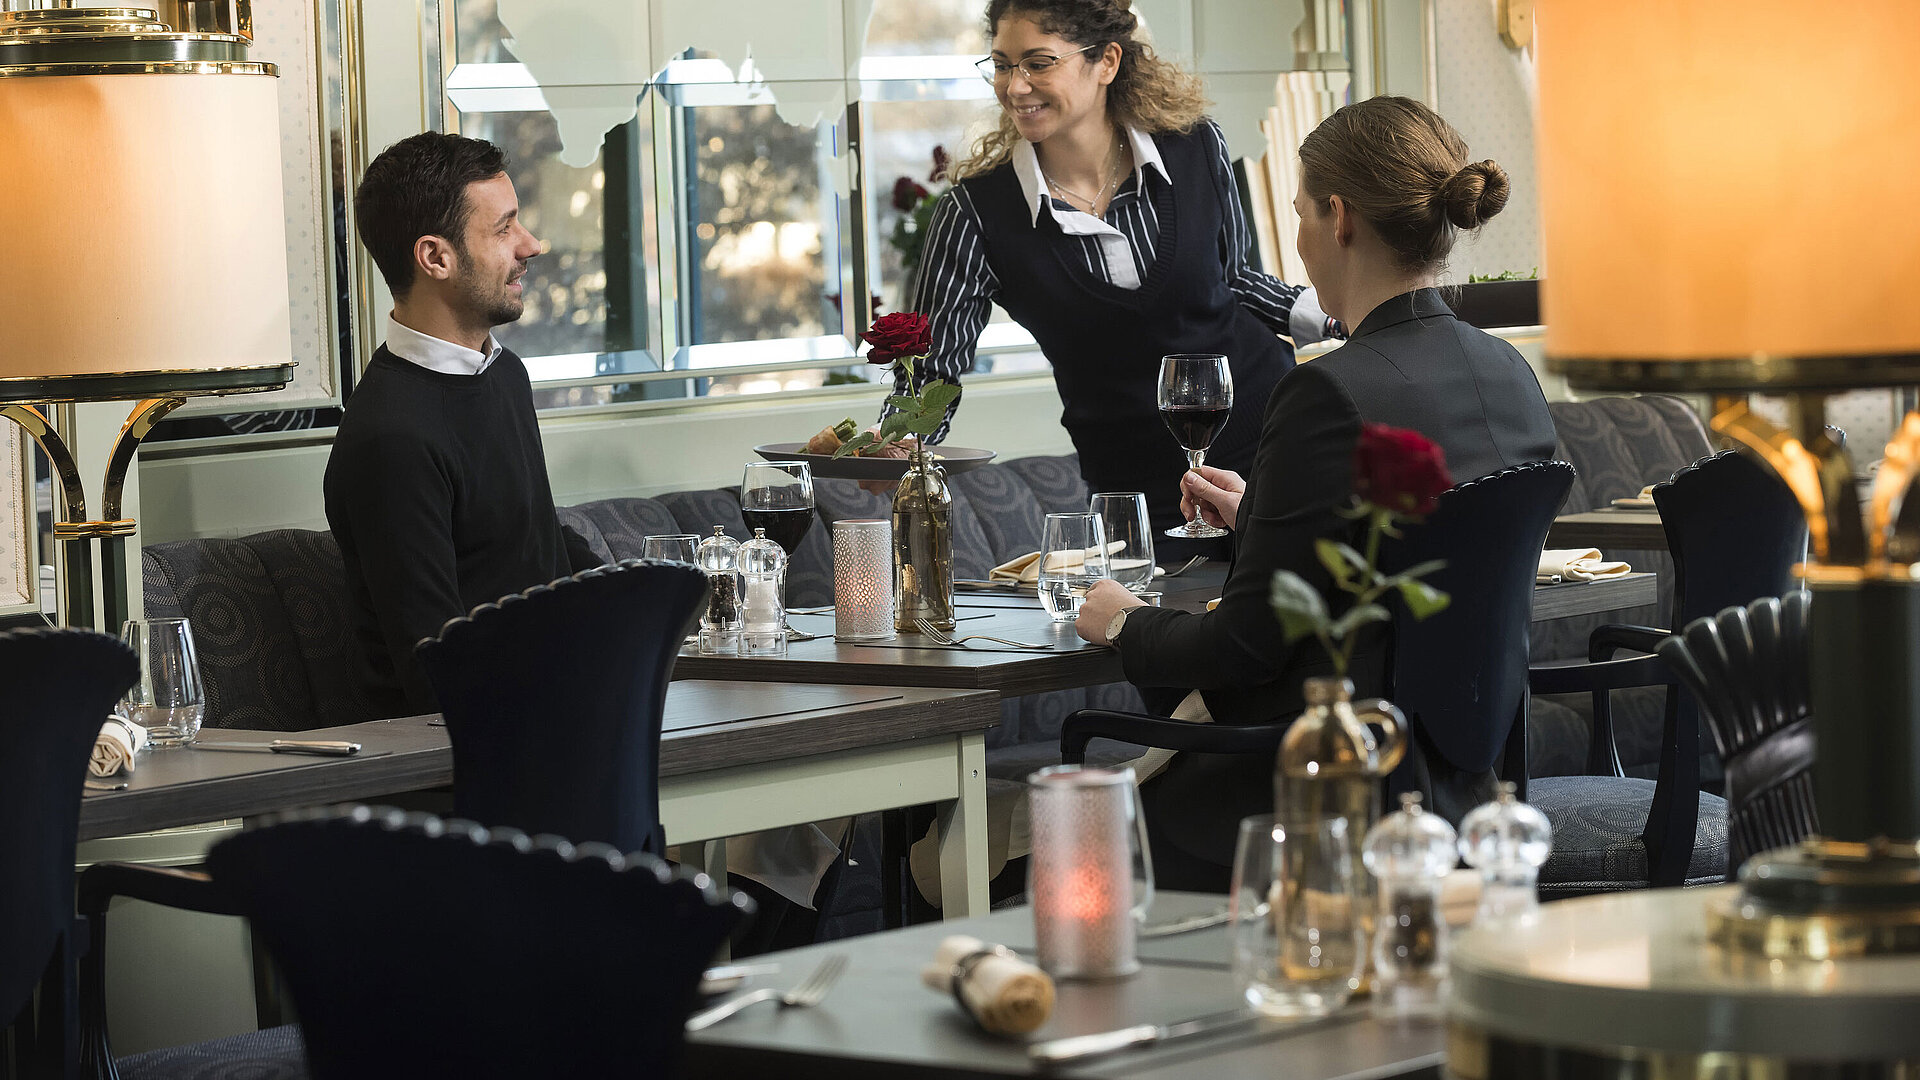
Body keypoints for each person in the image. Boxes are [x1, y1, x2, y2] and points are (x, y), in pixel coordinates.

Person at [1073, 96, 1559, 890]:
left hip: (1312, 797)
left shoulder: (1325, 390)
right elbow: (1416, 556)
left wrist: (1123, 621)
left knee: (1040, 855)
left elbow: (1244, 649)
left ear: (1338, 217)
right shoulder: (1511, 374)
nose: (1297, 240)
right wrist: (1258, 519)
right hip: (1465, 790)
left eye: (1299, 213)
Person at [893, 0, 1338, 546]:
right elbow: (935, 368)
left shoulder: (1196, 146)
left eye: (1038, 62)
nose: (1015, 86)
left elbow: (1238, 279)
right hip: (1135, 495)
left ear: (1106, 61)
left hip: (1272, 444)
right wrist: (894, 442)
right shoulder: (975, 215)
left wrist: (1346, 316)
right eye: (1003, 65)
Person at [326, 132, 599, 719]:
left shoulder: (504, 374)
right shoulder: (392, 440)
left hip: (561, 714)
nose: (532, 244)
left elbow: (536, 548)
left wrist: (654, 599)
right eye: (504, 229)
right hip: (463, 766)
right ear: (435, 258)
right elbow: (440, 668)